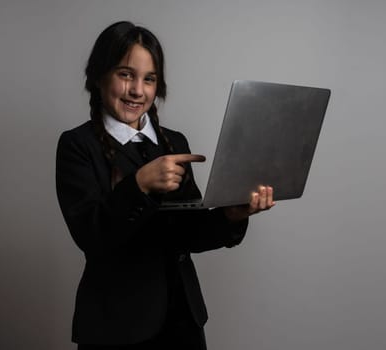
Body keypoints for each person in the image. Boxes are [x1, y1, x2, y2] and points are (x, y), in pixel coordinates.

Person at [56, 21, 275, 350]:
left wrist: (232, 214)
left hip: (183, 321)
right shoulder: (78, 145)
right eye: (125, 74)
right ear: (98, 75)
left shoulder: (174, 141)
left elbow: (189, 234)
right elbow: (90, 236)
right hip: (117, 327)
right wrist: (140, 184)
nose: (137, 91)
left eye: (149, 79)